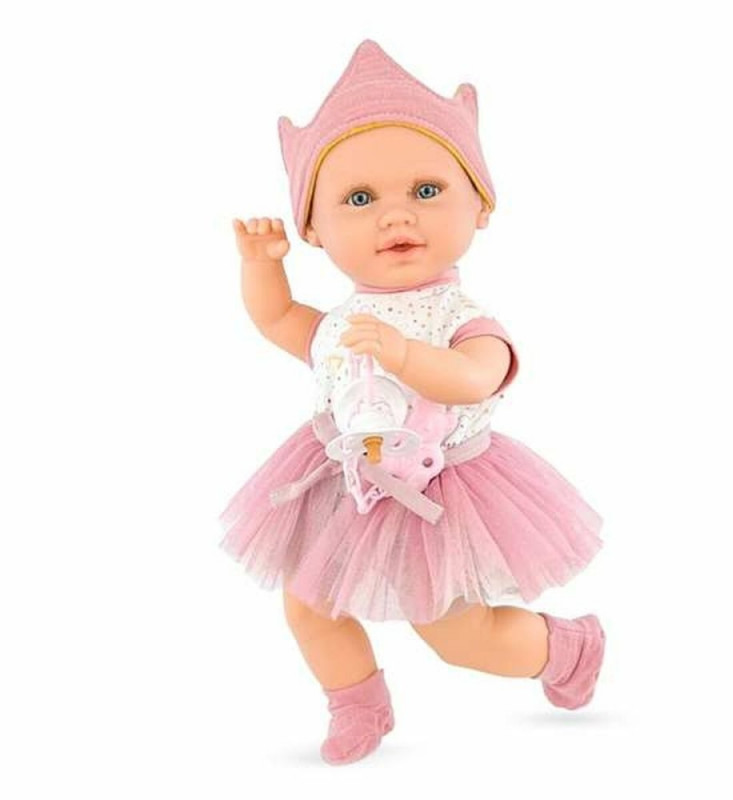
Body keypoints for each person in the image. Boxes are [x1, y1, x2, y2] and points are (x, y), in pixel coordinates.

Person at [220, 39, 606, 766]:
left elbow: (476, 376)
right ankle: (357, 702)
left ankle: (565, 648)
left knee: (456, 632)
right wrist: (259, 268)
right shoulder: (341, 321)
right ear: (314, 229)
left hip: (441, 490)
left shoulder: (458, 316)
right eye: (359, 199)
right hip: (346, 483)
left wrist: (404, 357)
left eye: (426, 191)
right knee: (308, 603)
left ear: (479, 204)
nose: (395, 217)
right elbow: (279, 320)